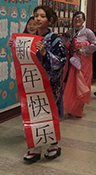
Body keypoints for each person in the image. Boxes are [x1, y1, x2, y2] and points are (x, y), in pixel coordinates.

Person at [23, 5, 66, 163]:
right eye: (36, 16)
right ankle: (36, 146)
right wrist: (15, 46)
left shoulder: (55, 39)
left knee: (48, 114)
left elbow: (61, 61)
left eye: (42, 16)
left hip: (49, 84)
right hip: (32, 82)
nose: (38, 19)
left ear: (50, 20)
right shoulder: (29, 38)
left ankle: (53, 144)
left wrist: (44, 53)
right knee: (35, 114)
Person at [62, 11, 96, 115]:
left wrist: (82, 49)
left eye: (79, 18)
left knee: (81, 85)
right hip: (71, 63)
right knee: (71, 85)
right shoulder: (69, 32)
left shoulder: (88, 32)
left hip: (84, 64)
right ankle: (70, 107)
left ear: (83, 20)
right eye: (75, 17)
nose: (77, 19)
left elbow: (95, 45)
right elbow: (64, 43)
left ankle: (78, 109)